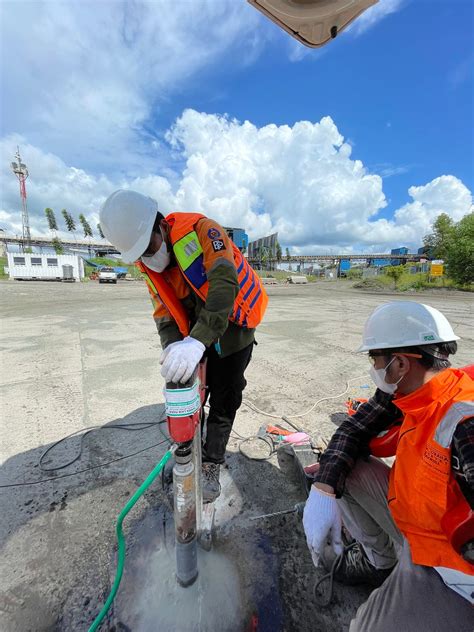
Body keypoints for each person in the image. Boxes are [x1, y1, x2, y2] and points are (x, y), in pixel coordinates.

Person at [303, 301, 474, 631]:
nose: (373, 368)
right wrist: (322, 490)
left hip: (450, 568)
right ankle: (378, 562)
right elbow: (353, 429)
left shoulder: (466, 424)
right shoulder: (410, 390)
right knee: (342, 469)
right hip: (416, 523)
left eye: (374, 359)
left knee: (362, 627)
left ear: (398, 364)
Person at [100, 189, 268, 502]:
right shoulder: (147, 266)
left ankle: (212, 463)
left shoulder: (204, 230)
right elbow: (163, 313)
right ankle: (187, 452)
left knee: (224, 398)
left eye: (148, 247)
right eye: (140, 254)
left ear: (160, 224)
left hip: (233, 328)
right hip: (193, 335)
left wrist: (198, 342)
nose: (149, 257)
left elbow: (223, 285)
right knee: (188, 394)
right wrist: (173, 348)